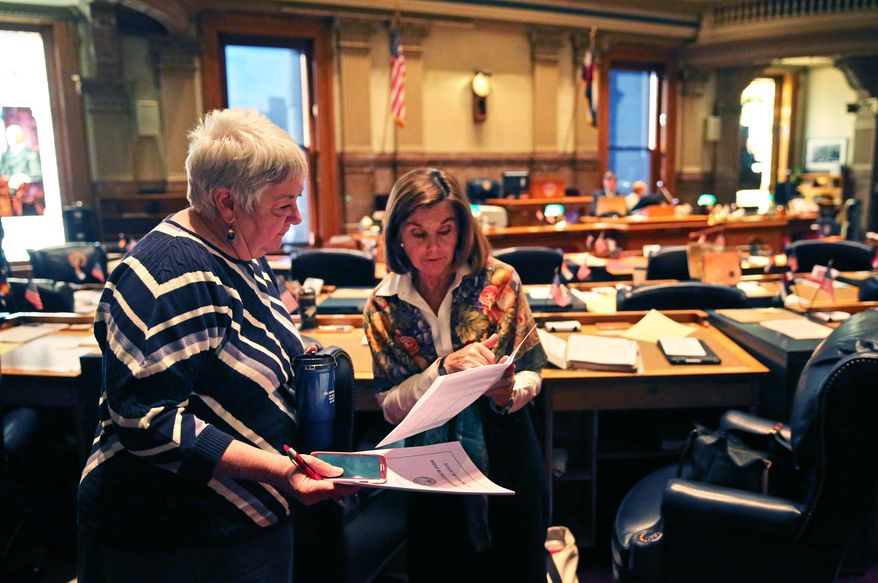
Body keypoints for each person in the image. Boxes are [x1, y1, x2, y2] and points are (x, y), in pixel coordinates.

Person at [77, 108, 355, 583]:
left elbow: (247, 341)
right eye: (283, 204)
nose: (296, 217)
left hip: (240, 526)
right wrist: (278, 472)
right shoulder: (172, 273)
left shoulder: (239, 249)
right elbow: (147, 421)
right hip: (176, 538)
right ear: (227, 203)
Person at [363, 168, 548, 582]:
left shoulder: (499, 281)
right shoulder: (383, 305)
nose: (434, 248)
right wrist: (444, 370)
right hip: (428, 461)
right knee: (441, 566)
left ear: (462, 230)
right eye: (418, 234)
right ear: (397, 236)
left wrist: (509, 394)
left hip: (505, 447)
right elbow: (391, 408)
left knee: (516, 564)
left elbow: (534, 370)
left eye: (445, 231)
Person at [0, 124, 44, 215]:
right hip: (7, 192)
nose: (9, 138)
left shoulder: (30, 154)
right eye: (8, 135)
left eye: (12, 135)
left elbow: (37, 174)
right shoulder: (5, 155)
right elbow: (2, 172)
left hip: (25, 195)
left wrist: (22, 177)